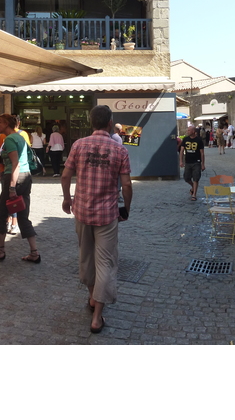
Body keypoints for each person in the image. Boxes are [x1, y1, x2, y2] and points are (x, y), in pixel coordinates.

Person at [61, 105, 132, 334]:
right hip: (107, 215)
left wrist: (66, 199)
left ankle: (92, 298)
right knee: (106, 263)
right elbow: (127, 185)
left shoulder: (79, 145)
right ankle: (97, 317)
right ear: (110, 123)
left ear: (91, 122)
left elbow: (65, 175)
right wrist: (126, 208)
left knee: (86, 257)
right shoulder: (119, 150)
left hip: (82, 211)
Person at [0, 114, 40, 263]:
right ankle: (34, 252)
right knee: (23, 215)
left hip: (14, 177)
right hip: (26, 176)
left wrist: (12, 187)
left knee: (1, 214)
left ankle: (0, 250)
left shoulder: (9, 139)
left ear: (7, 123)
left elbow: (15, 163)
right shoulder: (20, 136)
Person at [180, 125, 205, 201]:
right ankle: (193, 187)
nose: (187, 131)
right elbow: (181, 151)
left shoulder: (199, 140)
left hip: (196, 162)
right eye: (187, 130)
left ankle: (194, 195)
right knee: (186, 178)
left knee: (196, 178)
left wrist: (203, 164)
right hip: (188, 161)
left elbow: (202, 153)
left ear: (193, 131)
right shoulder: (185, 139)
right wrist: (181, 161)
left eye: (189, 130)